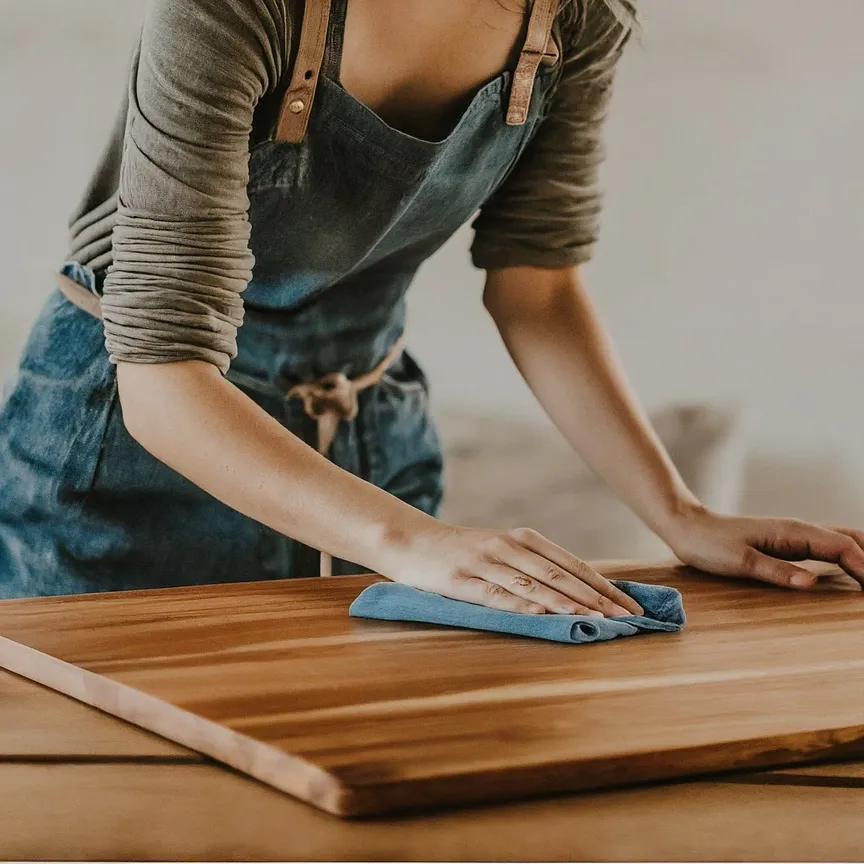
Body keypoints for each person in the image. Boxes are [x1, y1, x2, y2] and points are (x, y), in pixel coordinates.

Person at [1, 0, 862, 609]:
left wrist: (683, 516)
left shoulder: (575, 21)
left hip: (372, 443)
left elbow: (538, 283)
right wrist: (414, 545)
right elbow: (164, 376)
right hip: (121, 456)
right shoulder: (229, 9)